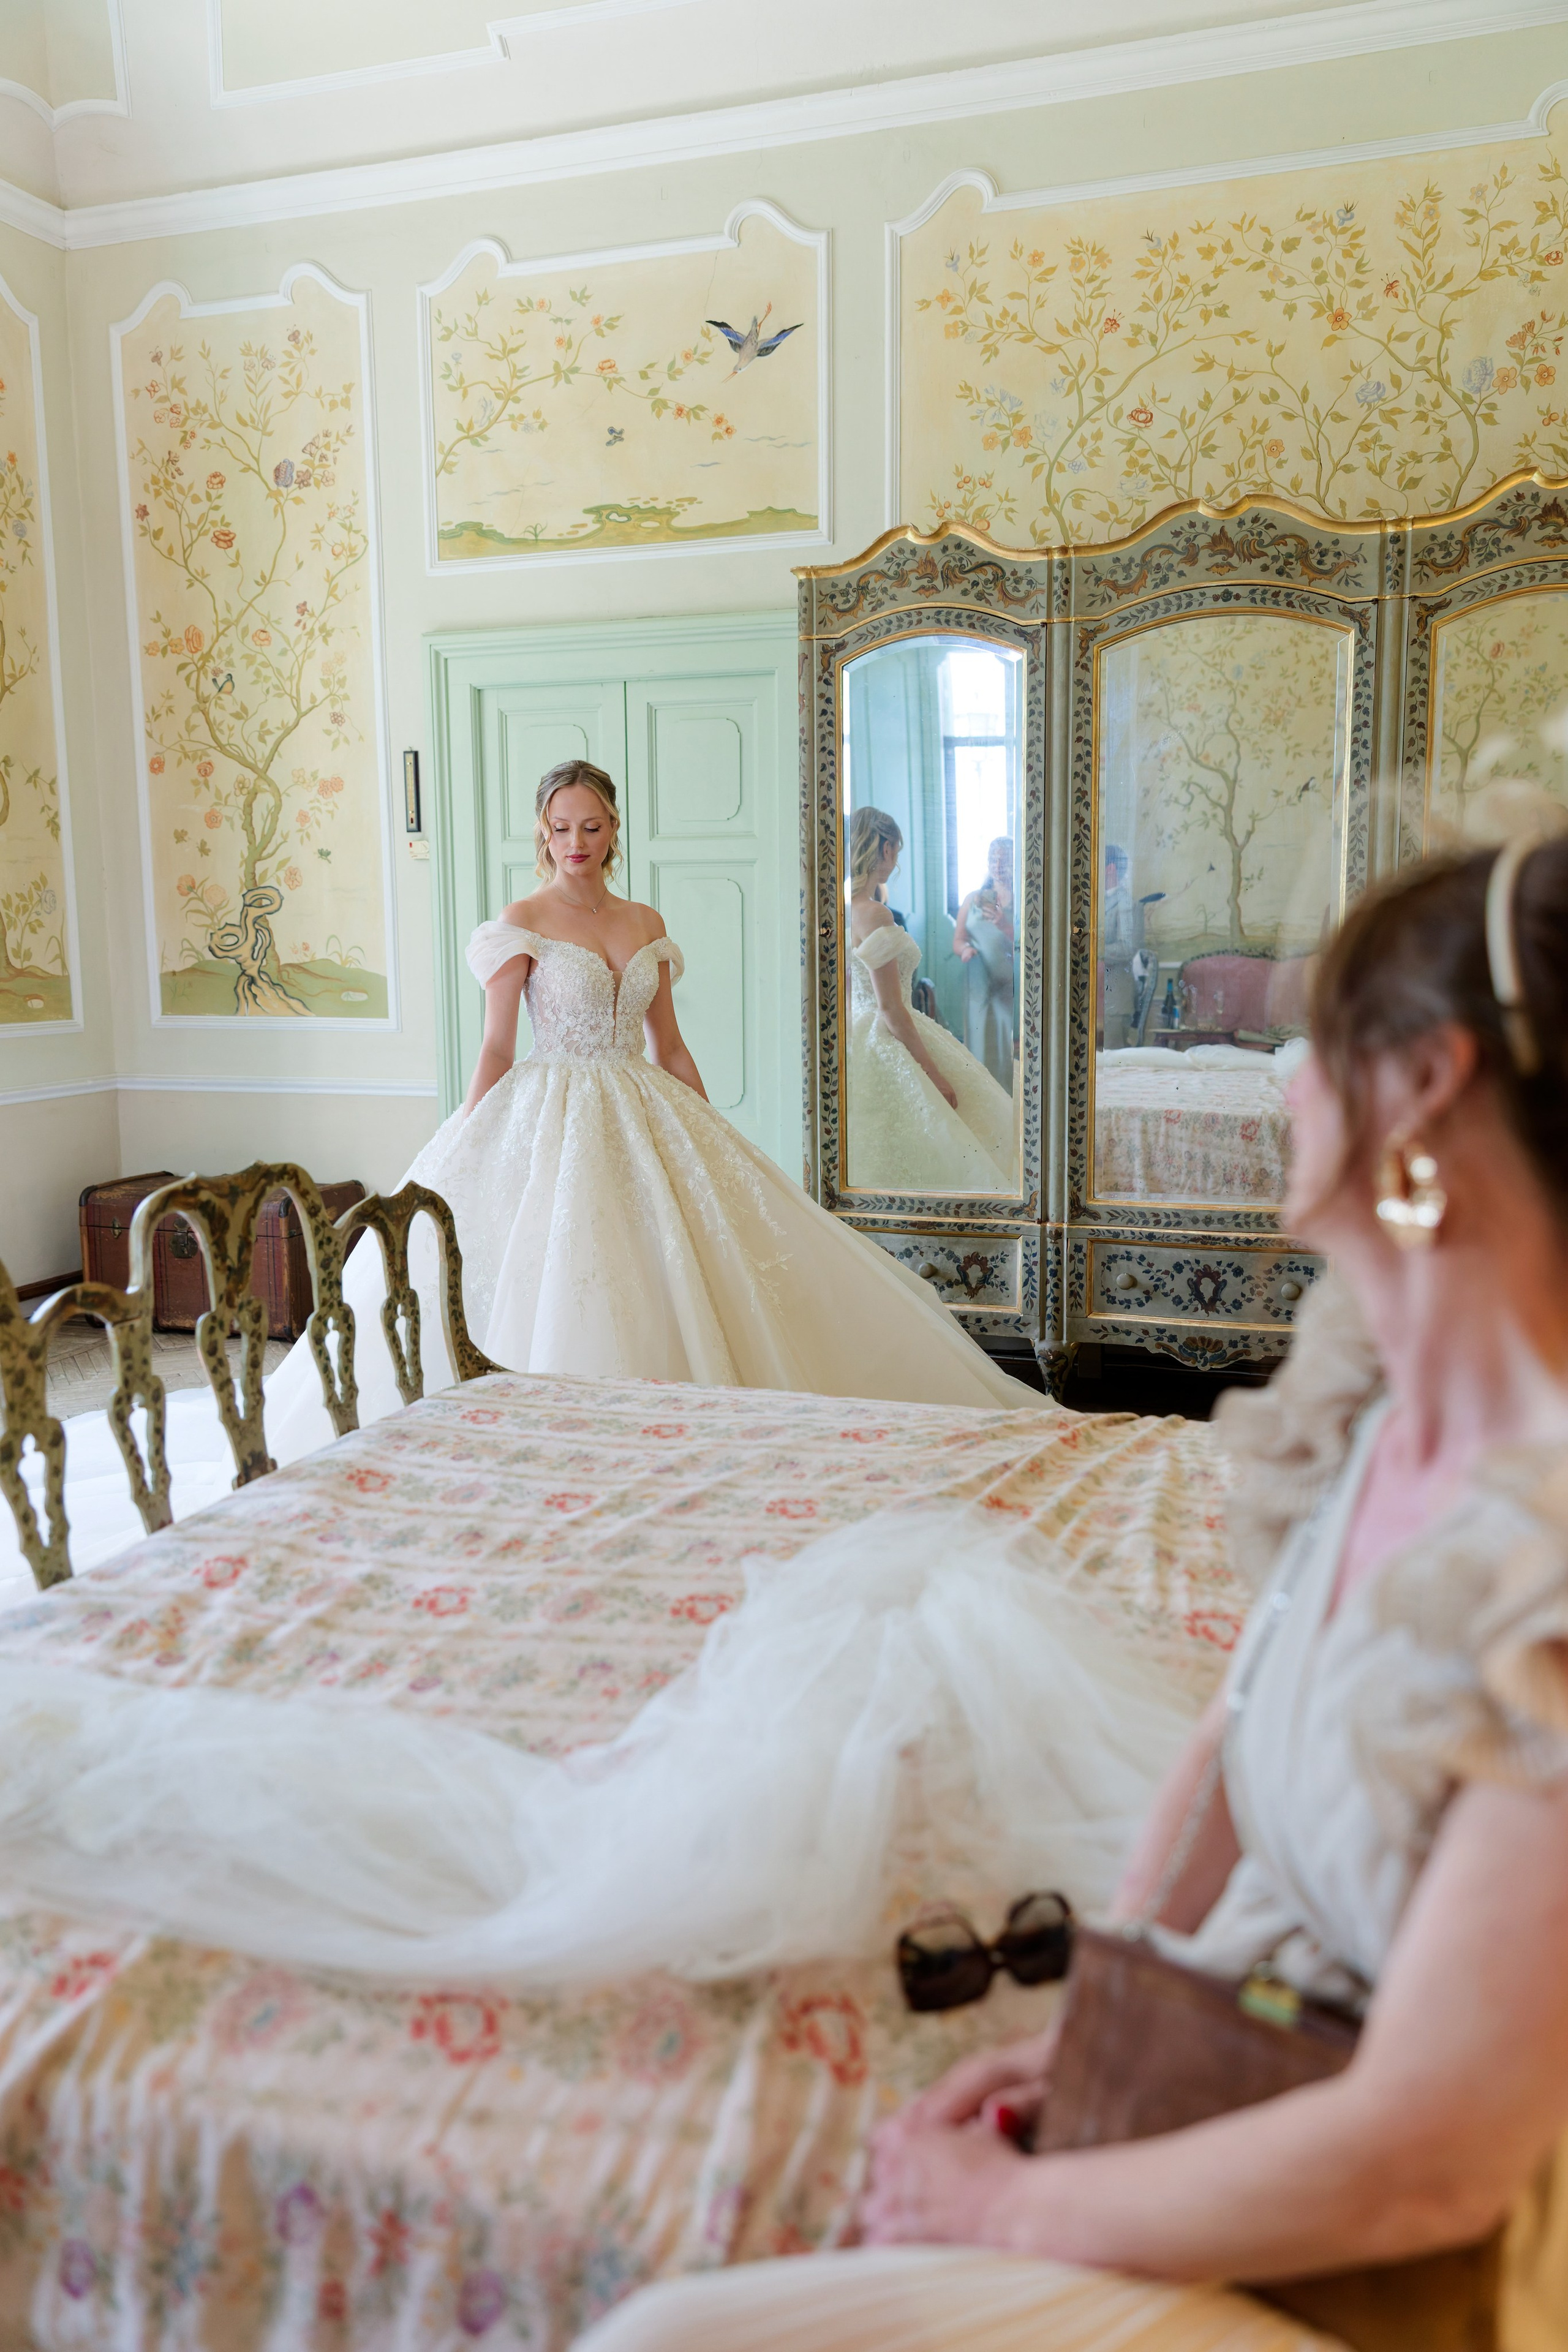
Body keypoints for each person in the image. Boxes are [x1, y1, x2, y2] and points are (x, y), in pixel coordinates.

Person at [573, 832, 1568, 2351]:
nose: (1288, 1085)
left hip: (1389, 2264)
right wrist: (1097, 2027)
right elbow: (1230, 1741)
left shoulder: (1542, 1560)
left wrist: (1000, 2209)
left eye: (1316, 1044)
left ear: (1426, 1083)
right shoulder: (1373, 1417)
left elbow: (1422, 2163)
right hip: (1255, 2068)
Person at [260, 761, 1033, 1458]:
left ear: (613, 830)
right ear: (543, 832)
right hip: (554, 1109)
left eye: (591, 827)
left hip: (642, 1098)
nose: (576, 843)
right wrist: (471, 1128)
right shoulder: (523, 917)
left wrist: (712, 1132)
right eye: (561, 828)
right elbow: (497, 1045)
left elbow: (670, 1045)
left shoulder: (643, 922)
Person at [845, 807, 1016, 1193]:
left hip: (856, 1036)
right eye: (897, 852)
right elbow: (891, 1007)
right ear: (886, 849)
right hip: (888, 1031)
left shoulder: (838, 910)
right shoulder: (874, 914)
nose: (896, 862)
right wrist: (933, 1073)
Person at [952, 834, 1016, 1091]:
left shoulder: (1025, 900)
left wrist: (1005, 925)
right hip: (978, 986)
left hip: (1011, 987)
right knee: (979, 1044)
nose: (997, 865)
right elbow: (958, 940)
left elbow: (1035, 947)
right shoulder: (973, 899)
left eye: (1004, 860)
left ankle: (1011, 1103)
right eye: (993, 859)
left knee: (1008, 1047)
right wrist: (966, 950)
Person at [1101, 842, 1144, 1048]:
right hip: (1098, 999)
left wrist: (1089, 950)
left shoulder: (1127, 904)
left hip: (1115, 1002)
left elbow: (1127, 948)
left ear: (1110, 869)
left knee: (1110, 1063)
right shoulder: (1098, 902)